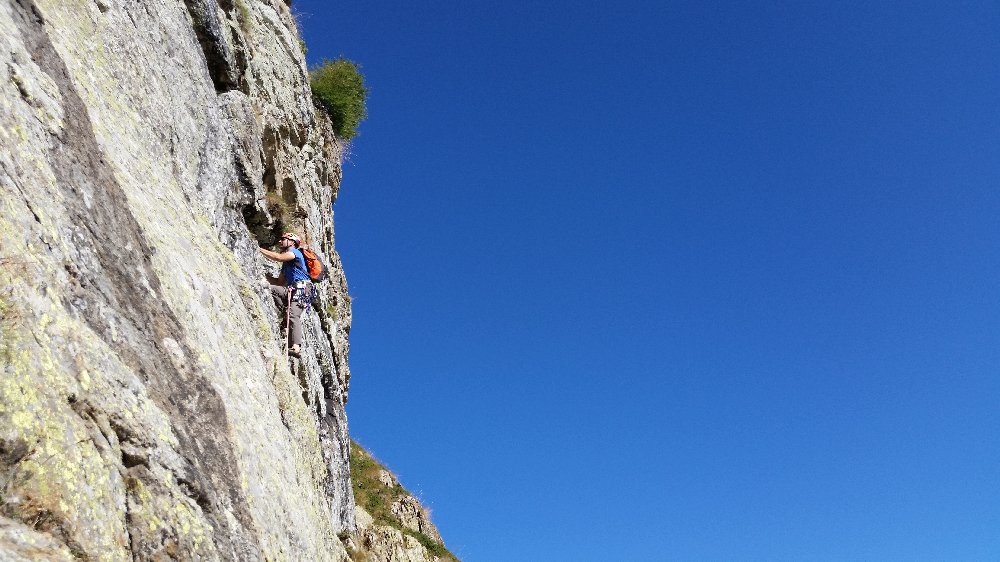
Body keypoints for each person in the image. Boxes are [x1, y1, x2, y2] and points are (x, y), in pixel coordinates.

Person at [259, 232, 311, 357]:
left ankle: (296, 347)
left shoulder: (296, 253)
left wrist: (258, 249)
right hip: (291, 288)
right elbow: (278, 282)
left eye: (283, 239)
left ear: (292, 242)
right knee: (271, 289)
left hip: (304, 288)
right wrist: (260, 273)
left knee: (293, 314)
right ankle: (285, 315)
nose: (279, 241)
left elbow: (278, 257)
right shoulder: (286, 266)